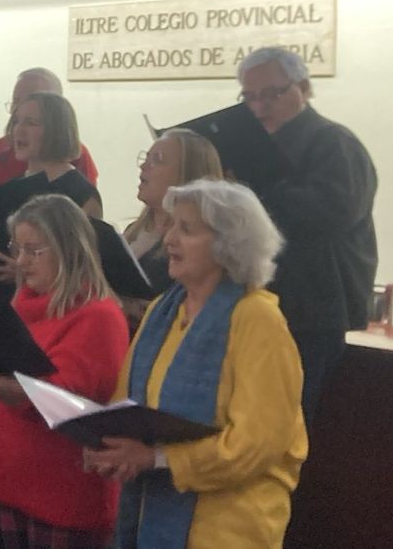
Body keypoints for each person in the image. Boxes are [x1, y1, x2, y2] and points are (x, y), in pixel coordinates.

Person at [84, 179, 307, 549]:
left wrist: (155, 458)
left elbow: (255, 445)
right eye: (171, 225)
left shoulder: (257, 320)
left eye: (185, 229)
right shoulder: (162, 311)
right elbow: (126, 406)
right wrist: (110, 446)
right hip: (148, 514)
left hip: (226, 528)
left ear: (227, 245)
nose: (169, 239)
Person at [0, 195, 130, 548]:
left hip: (64, 493)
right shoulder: (21, 305)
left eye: (34, 251)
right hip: (10, 481)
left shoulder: (98, 316)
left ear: (68, 249)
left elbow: (60, 401)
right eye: (17, 249)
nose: (20, 262)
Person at [236, 46, 377, 423]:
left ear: (305, 87)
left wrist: (250, 196)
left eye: (271, 93)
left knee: (284, 420)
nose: (259, 106)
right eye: (249, 97)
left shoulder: (334, 143)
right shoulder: (253, 147)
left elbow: (333, 210)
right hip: (261, 302)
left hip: (312, 309)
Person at [122, 130, 224, 324]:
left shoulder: (196, 244)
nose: (144, 166)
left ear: (188, 174)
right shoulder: (132, 231)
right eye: (145, 158)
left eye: (157, 160)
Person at [0, 68, 100, 191]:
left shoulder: (77, 156)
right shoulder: (0, 147)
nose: (21, 108)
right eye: (17, 100)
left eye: (33, 99)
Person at [8, 92, 103, 216]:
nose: (18, 130)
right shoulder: (13, 188)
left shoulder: (82, 194)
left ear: (56, 130)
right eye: (16, 122)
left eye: (31, 123)